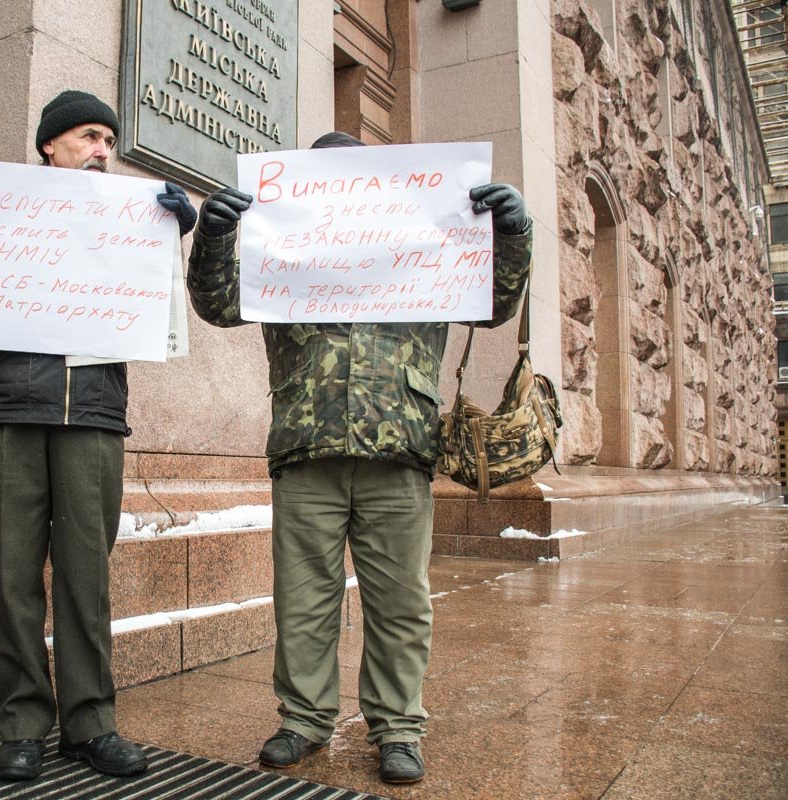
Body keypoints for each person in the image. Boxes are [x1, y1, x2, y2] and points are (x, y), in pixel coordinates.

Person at [185, 131, 533, 784]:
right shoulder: (282, 247)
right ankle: (304, 720)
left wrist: (513, 233)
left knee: (401, 602)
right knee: (303, 600)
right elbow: (217, 304)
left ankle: (398, 727)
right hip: (307, 449)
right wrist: (213, 236)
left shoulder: (422, 240)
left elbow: (492, 305)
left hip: (398, 453)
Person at [0, 90, 197, 781]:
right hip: (6, 413)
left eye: (110, 142)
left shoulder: (128, 224)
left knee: (87, 580)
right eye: (90, 136)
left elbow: (163, 319)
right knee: (12, 578)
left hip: (92, 417)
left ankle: (91, 726)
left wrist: (170, 242)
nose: (103, 151)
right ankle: (23, 723)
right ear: (50, 145)